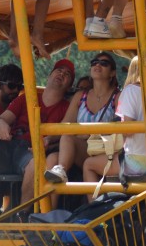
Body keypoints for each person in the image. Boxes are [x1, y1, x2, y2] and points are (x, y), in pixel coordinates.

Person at [0, 59, 74, 204]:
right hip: (8, 147)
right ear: (49, 76)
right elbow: (0, 119)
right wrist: (2, 123)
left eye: (67, 74)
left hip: (32, 153)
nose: (62, 74)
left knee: (37, 164)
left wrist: (48, 142)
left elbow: (65, 134)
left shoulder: (67, 107)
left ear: (70, 86)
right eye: (59, 70)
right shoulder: (27, 98)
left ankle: (21, 217)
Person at [44, 52, 121, 184]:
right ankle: (59, 173)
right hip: (84, 149)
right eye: (94, 62)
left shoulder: (118, 97)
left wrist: (86, 134)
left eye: (104, 63)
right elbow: (64, 126)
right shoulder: (80, 96)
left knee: (69, 140)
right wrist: (48, 139)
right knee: (56, 154)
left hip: (106, 151)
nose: (97, 65)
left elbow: (119, 131)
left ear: (112, 73)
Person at [87, 56, 146, 183]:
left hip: (137, 161)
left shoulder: (130, 91)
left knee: (88, 164)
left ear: (132, 71)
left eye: (104, 63)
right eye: (94, 62)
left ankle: (96, 203)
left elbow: (128, 132)